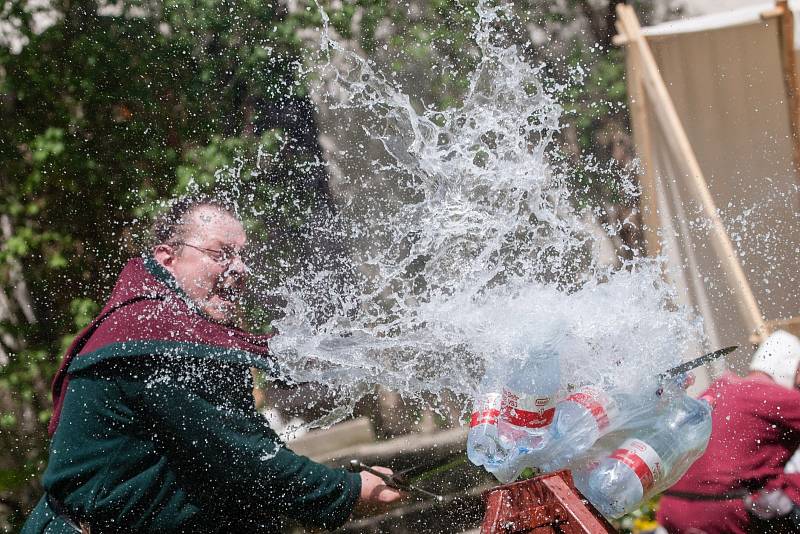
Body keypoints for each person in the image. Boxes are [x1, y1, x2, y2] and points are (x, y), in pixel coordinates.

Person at [22, 196, 402, 533]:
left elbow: (242, 453)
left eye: (242, 257)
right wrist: (347, 491)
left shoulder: (187, 333)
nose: (239, 270)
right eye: (221, 254)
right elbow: (244, 460)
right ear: (167, 259)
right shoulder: (150, 337)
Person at [656, 330, 800, 534]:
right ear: (791, 367)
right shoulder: (783, 399)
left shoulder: (721, 386)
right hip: (724, 515)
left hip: (672, 508)